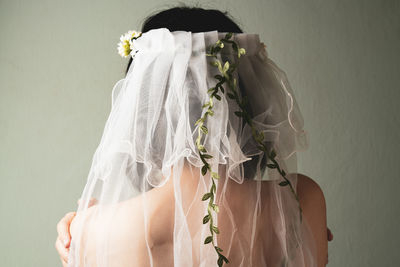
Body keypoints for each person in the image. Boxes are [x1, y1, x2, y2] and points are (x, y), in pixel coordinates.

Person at [55, 6, 333, 267]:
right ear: (248, 98)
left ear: (144, 107)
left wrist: (88, 227)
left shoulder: (92, 231)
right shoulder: (302, 201)